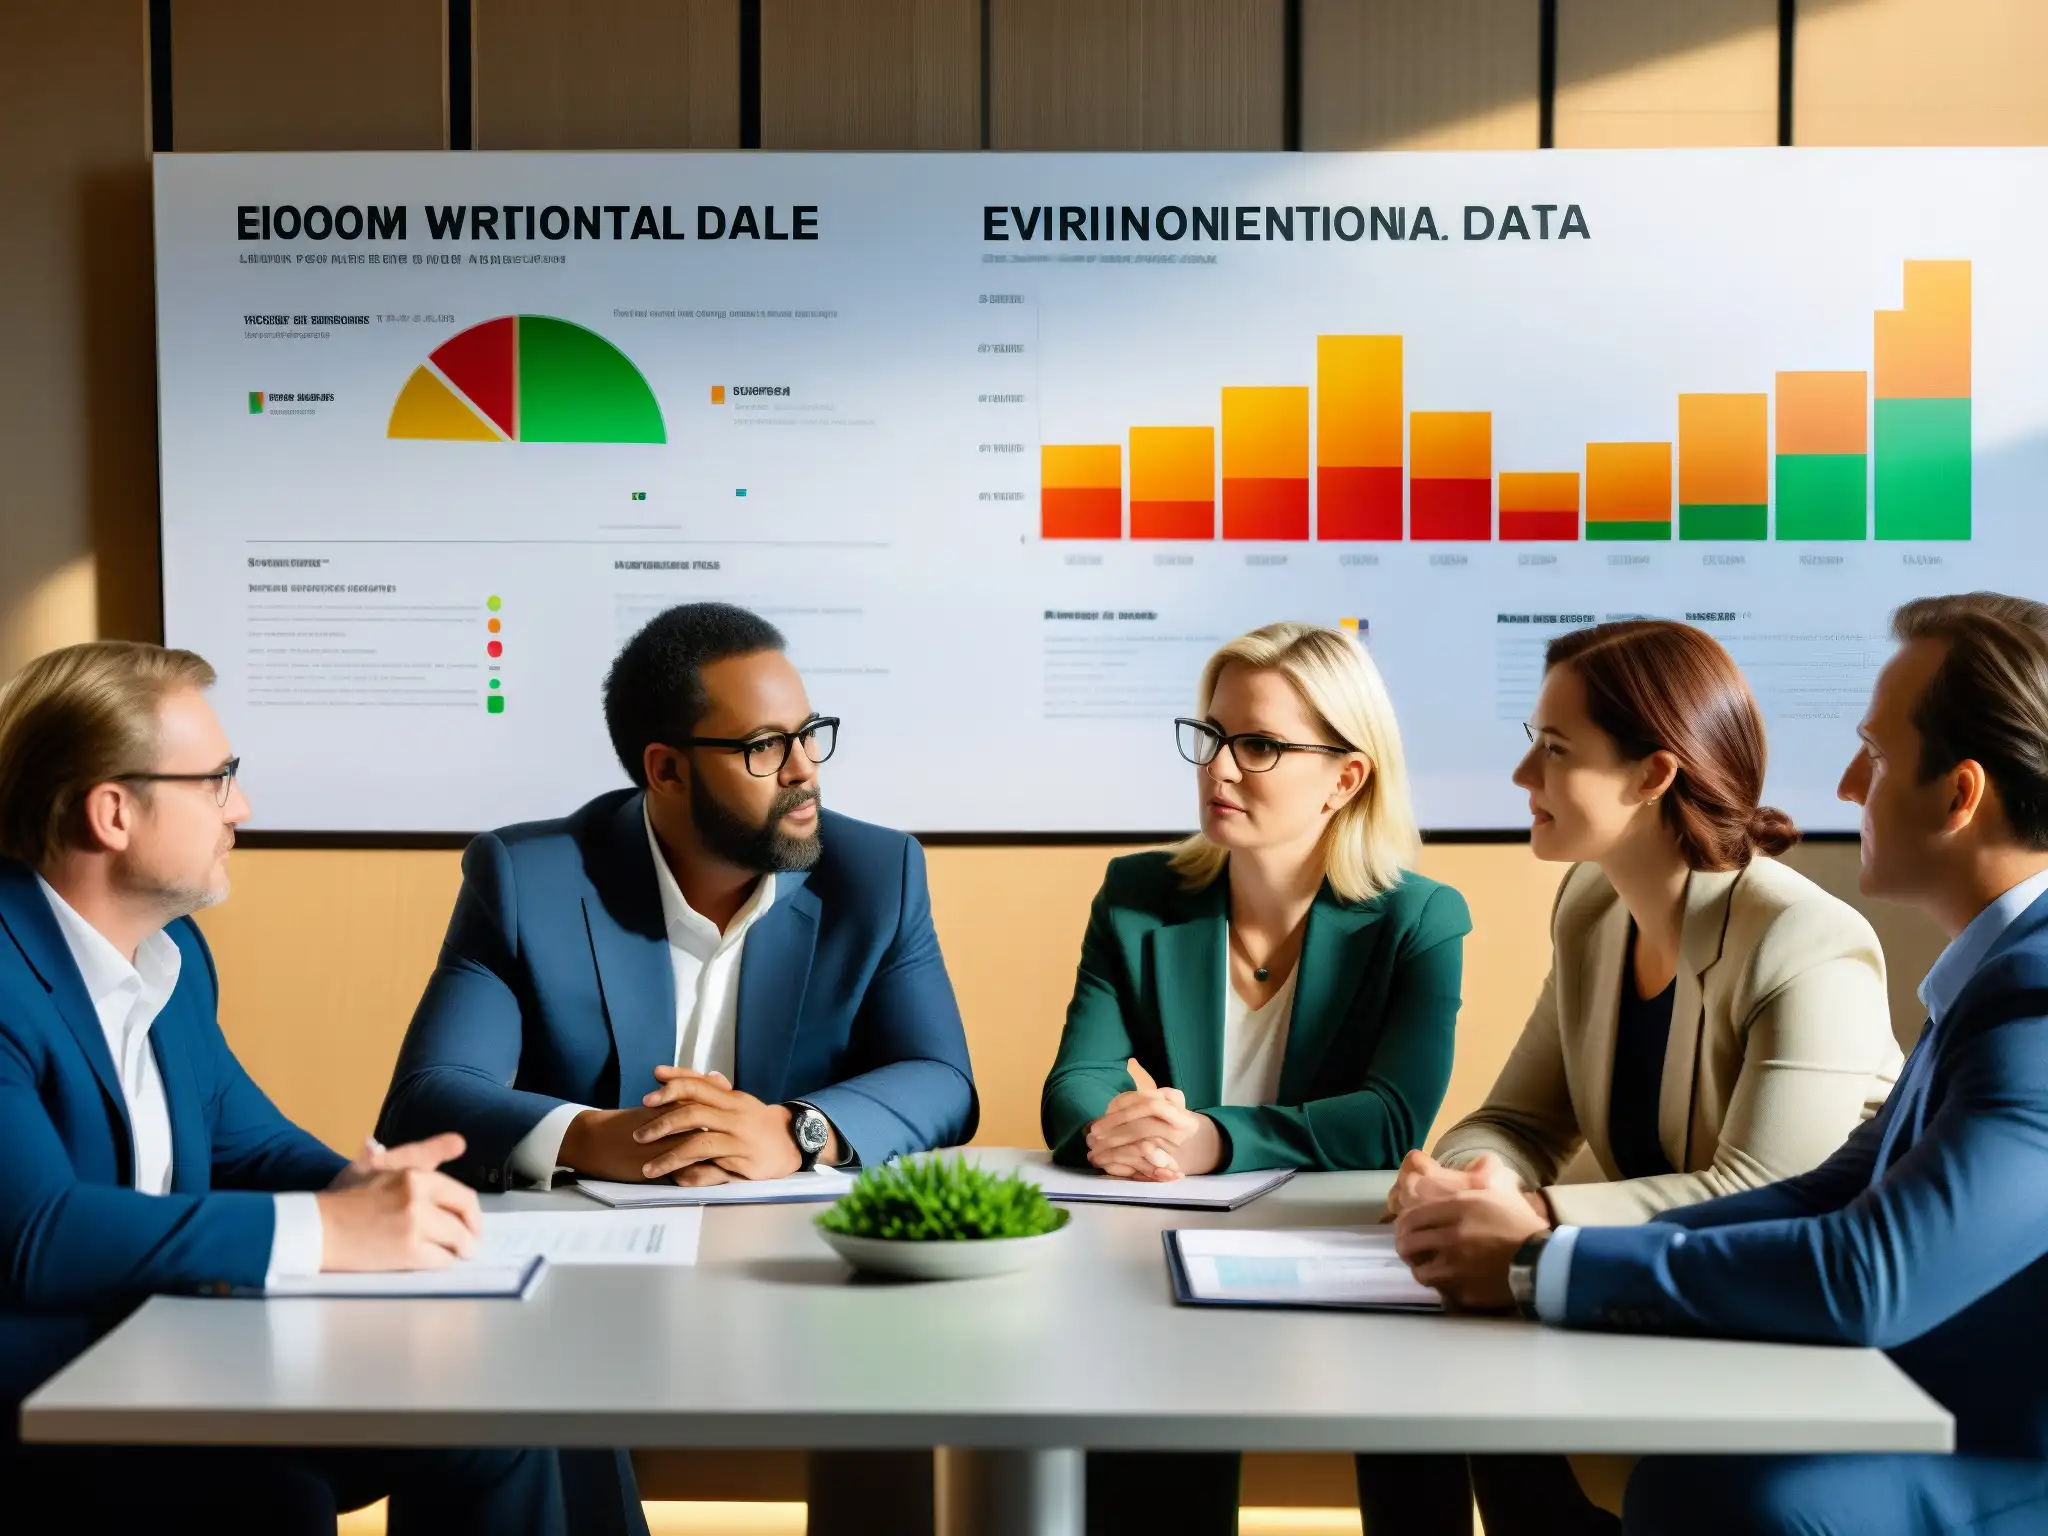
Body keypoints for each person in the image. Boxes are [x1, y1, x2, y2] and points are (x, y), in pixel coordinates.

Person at [377, 600, 976, 1536]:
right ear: (665, 769)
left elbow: (941, 1076)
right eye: (765, 747)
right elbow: (426, 1101)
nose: (805, 768)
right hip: (588, 1283)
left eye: (810, 734)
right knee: (483, 1375)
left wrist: (794, 1131)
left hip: (802, 1272)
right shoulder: (532, 878)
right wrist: (598, 1138)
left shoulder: (877, 871)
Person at [0, 641, 588, 1536]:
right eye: (216, 780)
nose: (242, 806)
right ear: (113, 812)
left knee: (492, 1412)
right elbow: (37, 1234)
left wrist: (367, 1189)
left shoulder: (173, 956)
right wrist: (330, 1229)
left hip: (172, 1348)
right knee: (274, 1494)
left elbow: (245, 1142)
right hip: (44, 1388)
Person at [1510, 593, 2048, 1534]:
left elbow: (1868, 1273)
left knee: (1714, 1493)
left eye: (1874, 755)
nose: (1846, 785)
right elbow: (1829, 1190)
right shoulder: (2000, 972)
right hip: (1910, 1394)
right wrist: (1544, 1256)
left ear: (1961, 795)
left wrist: (1541, 1263)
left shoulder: (2035, 994)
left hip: (2001, 1450)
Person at [1375, 619, 1902, 1536]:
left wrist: (1532, 1223)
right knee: (1471, 1396)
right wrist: (1480, 1176)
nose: (1523, 778)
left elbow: (1766, 1193)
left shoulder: (1805, 940)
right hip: (1655, 1315)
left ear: (1654, 775)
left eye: (1555, 750)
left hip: (1798, 1349)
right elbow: (1516, 1120)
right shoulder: (1592, 905)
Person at [1040, 621, 1472, 1536]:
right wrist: (1117, 1132)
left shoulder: (1420, 918)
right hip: (1171, 1239)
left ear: (1346, 777)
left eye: (1260, 745)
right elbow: (1074, 1082)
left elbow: (1389, 1119)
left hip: (1350, 1247)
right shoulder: (1138, 893)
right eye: (1212, 735)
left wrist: (1213, 1139)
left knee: (1417, 1457)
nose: (1219, 769)